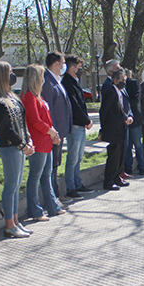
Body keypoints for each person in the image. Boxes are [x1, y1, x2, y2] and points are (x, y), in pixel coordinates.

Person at [0, 61, 35, 238]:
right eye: (9, 72)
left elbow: (22, 122)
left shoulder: (12, 97)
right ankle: (9, 224)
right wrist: (22, 144)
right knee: (11, 186)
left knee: (16, 186)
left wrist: (28, 140)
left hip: (19, 146)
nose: (12, 75)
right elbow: (6, 128)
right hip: (9, 147)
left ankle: (15, 221)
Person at [21, 64, 64, 220]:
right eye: (41, 76)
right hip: (38, 142)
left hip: (46, 141)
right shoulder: (28, 96)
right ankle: (35, 211)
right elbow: (35, 121)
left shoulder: (38, 96)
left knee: (46, 175)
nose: (44, 79)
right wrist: (51, 132)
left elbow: (46, 119)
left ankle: (53, 207)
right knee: (35, 176)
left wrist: (53, 133)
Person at [40, 51, 72, 202]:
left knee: (55, 164)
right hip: (53, 133)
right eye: (63, 63)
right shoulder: (47, 82)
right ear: (56, 63)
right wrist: (54, 133)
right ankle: (54, 197)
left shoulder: (57, 80)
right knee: (51, 166)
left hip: (59, 131)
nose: (64, 66)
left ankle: (55, 195)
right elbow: (49, 111)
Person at [60, 55, 94, 196]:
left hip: (80, 124)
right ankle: (71, 187)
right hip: (75, 124)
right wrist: (86, 120)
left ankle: (78, 183)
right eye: (79, 67)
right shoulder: (67, 83)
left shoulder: (74, 82)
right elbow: (74, 105)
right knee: (73, 158)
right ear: (72, 67)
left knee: (78, 157)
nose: (80, 70)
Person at [100, 68, 133, 190]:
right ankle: (109, 181)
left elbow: (124, 109)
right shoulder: (110, 92)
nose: (124, 82)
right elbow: (105, 111)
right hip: (114, 129)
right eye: (122, 80)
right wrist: (104, 128)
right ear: (115, 80)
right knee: (114, 156)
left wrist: (128, 117)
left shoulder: (120, 92)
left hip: (122, 128)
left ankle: (117, 177)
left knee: (121, 155)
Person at [124, 69, 144, 175]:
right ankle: (128, 166)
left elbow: (136, 98)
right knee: (127, 145)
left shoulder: (133, 83)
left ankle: (141, 165)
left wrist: (124, 103)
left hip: (135, 117)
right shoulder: (118, 84)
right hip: (124, 118)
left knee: (137, 144)